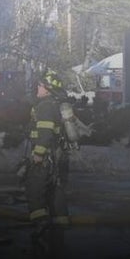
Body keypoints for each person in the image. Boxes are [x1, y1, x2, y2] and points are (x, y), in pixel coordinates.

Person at [23, 70, 76, 239]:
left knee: (34, 188)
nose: (37, 87)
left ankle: (40, 224)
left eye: (40, 85)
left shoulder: (45, 106)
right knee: (55, 189)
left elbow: (45, 132)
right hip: (56, 155)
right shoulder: (54, 104)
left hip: (45, 156)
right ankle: (60, 223)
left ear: (47, 89)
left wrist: (38, 153)